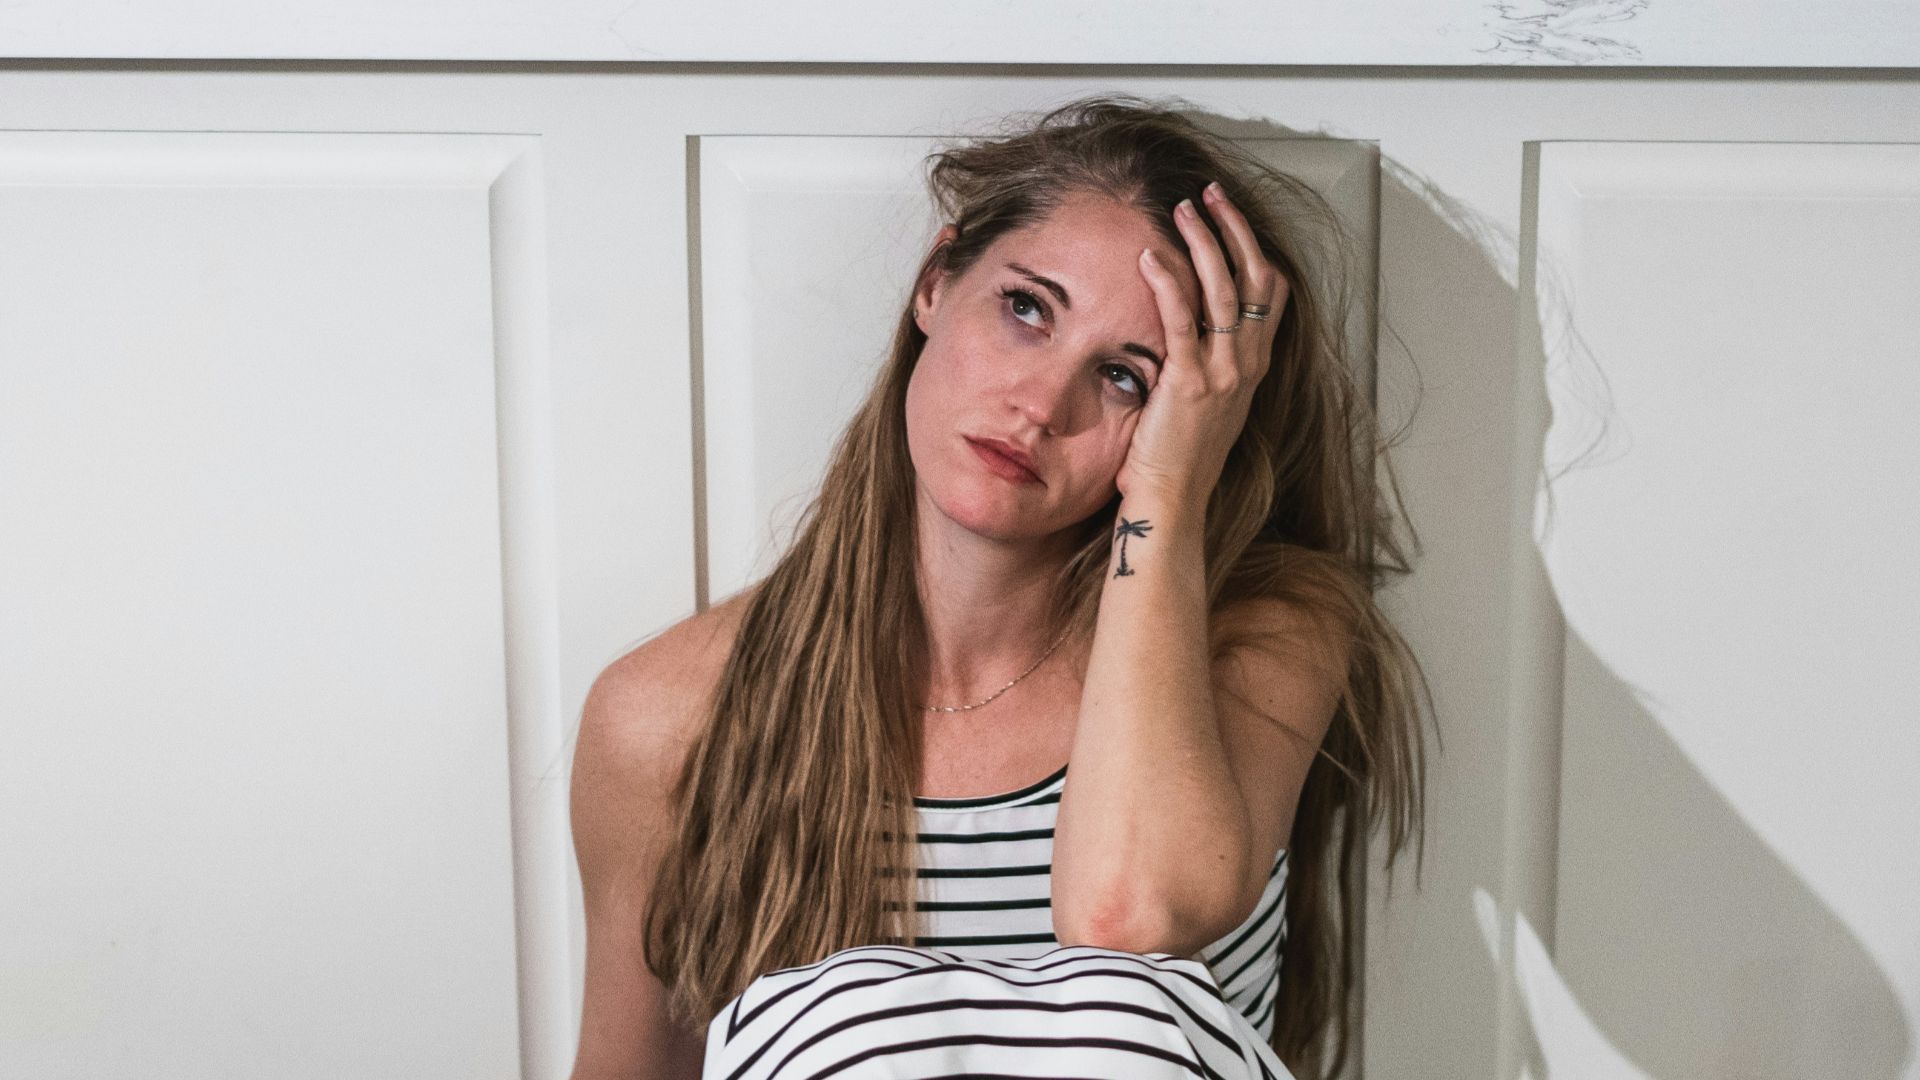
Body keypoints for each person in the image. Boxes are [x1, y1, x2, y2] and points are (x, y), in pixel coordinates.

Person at [568, 93, 1434, 1080]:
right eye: (1027, 310)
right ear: (936, 284)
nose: (1041, 405)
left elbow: (1128, 920)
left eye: (1126, 376)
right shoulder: (668, 719)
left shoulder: (1258, 638)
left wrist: (1168, 490)